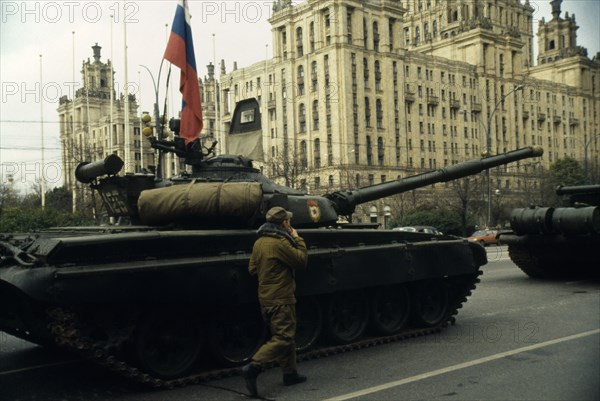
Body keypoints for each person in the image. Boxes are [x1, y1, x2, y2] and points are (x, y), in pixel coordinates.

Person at [242, 206, 308, 397]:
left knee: (284, 334)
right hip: (281, 297)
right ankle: (254, 367)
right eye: (288, 221)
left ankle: (290, 374)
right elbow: (301, 260)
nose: (290, 223)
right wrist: (297, 238)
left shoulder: (259, 242)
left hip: (266, 297)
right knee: (284, 337)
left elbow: (252, 269)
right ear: (284, 223)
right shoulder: (280, 243)